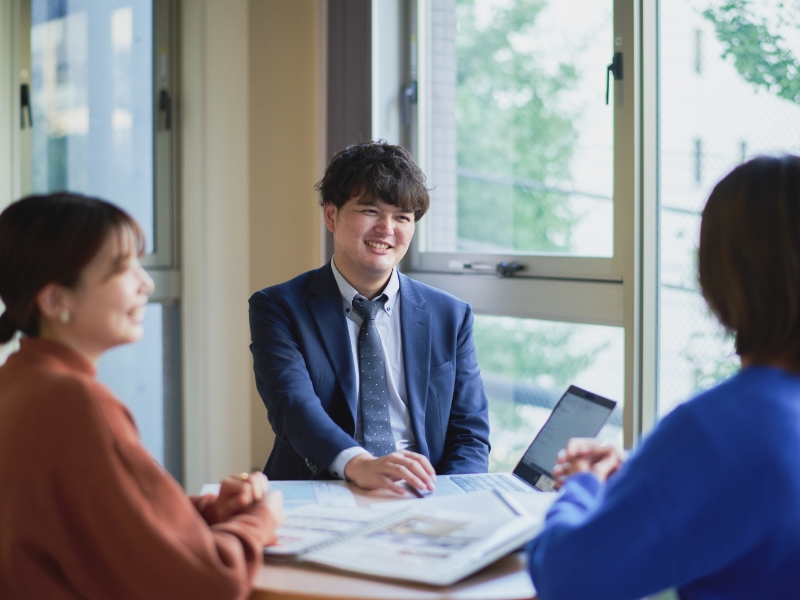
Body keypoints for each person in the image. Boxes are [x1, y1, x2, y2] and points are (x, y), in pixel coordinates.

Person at [527, 155, 800, 599]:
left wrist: (581, 483)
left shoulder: (725, 425)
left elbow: (565, 578)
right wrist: (638, 472)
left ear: (717, 275)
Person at [0, 193, 283, 600]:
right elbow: (205, 584)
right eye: (121, 269)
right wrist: (260, 520)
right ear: (56, 300)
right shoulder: (74, 402)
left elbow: (92, 520)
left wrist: (205, 512)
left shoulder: (17, 383)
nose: (145, 283)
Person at [249, 141, 490, 494]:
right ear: (331, 216)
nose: (386, 229)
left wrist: (449, 498)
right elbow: (293, 406)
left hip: (424, 494)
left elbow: (469, 433)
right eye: (370, 211)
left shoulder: (450, 316)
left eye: (402, 218)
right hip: (321, 488)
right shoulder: (279, 307)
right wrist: (359, 464)